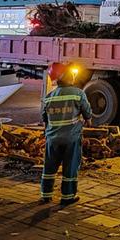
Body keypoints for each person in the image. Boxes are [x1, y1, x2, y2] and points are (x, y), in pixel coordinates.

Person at [40, 62, 92, 206]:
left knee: (49, 167)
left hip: (52, 139)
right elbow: (87, 112)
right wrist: (88, 120)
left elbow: (44, 118)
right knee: (70, 166)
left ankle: (45, 194)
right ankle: (67, 196)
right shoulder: (78, 94)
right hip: (71, 138)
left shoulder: (49, 97)